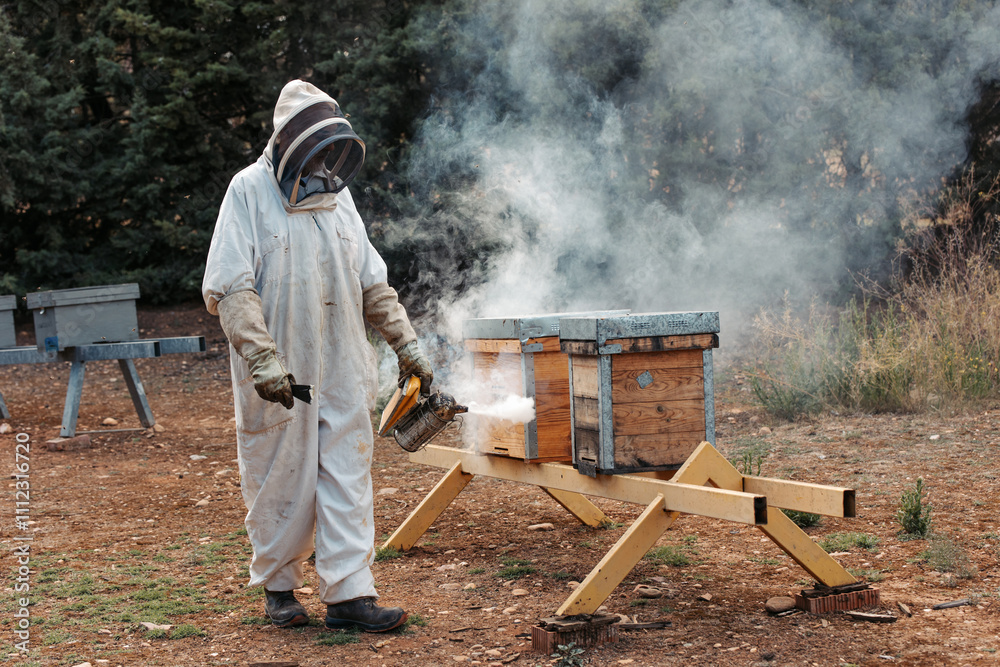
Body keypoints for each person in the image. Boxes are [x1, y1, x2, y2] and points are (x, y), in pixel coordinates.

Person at [202, 79, 433, 633]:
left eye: (331, 152)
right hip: (280, 365)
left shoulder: (338, 197)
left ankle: (349, 595)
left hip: (343, 360)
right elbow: (231, 286)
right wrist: (261, 359)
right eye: (316, 150)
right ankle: (280, 589)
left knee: (348, 473)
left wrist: (407, 344)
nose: (325, 162)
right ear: (288, 143)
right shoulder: (248, 190)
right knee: (279, 475)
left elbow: (372, 282)